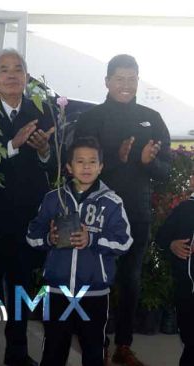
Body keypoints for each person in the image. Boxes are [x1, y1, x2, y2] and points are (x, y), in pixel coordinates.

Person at [74, 54, 172, 366]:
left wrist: (148, 162)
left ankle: (124, 346)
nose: (126, 85)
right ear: (107, 81)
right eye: (120, 79)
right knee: (96, 281)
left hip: (136, 213)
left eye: (132, 79)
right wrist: (117, 157)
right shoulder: (91, 119)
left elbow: (166, 170)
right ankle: (96, 344)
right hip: (97, 214)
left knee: (130, 281)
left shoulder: (151, 118)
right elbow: (78, 168)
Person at [0, 49, 54, 366]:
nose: (12, 74)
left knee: (19, 293)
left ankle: (16, 354)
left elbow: (56, 165)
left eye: (18, 69)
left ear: (28, 78)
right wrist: (11, 146)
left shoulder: (43, 112)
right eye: (4, 70)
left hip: (27, 220)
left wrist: (45, 151)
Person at [27, 137, 133, 366]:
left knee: (93, 350)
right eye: (80, 161)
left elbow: (124, 242)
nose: (86, 167)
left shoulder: (112, 202)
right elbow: (31, 236)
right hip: (57, 290)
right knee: (53, 349)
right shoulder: (53, 199)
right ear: (68, 166)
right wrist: (49, 238)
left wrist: (92, 239)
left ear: (101, 166)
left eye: (92, 161)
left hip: (94, 293)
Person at [155, 173, 194, 366]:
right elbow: (161, 237)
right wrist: (171, 245)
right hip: (186, 290)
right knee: (190, 341)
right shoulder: (184, 209)